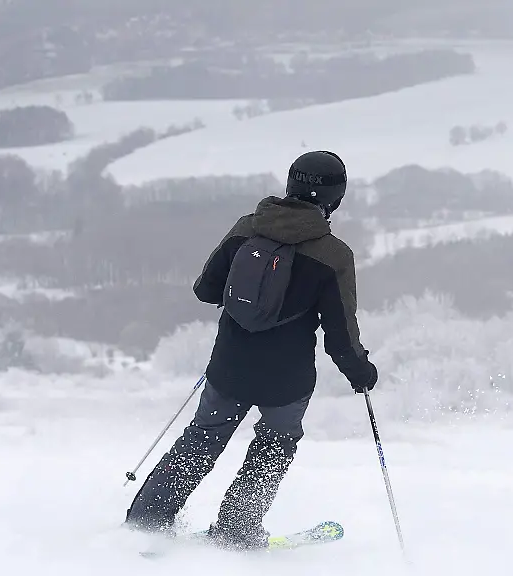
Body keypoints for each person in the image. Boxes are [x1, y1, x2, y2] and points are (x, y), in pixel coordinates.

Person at [123, 150, 378, 549]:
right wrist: (360, 372)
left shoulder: (247, 228)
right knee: (272, 450)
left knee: (202, 439)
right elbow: (340, 336)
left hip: (229, 365)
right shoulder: (333, 255)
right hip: (287, 379)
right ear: (336, 198)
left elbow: (206, 289)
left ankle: (147, 521)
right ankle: (235, 531)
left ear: (291, 184)